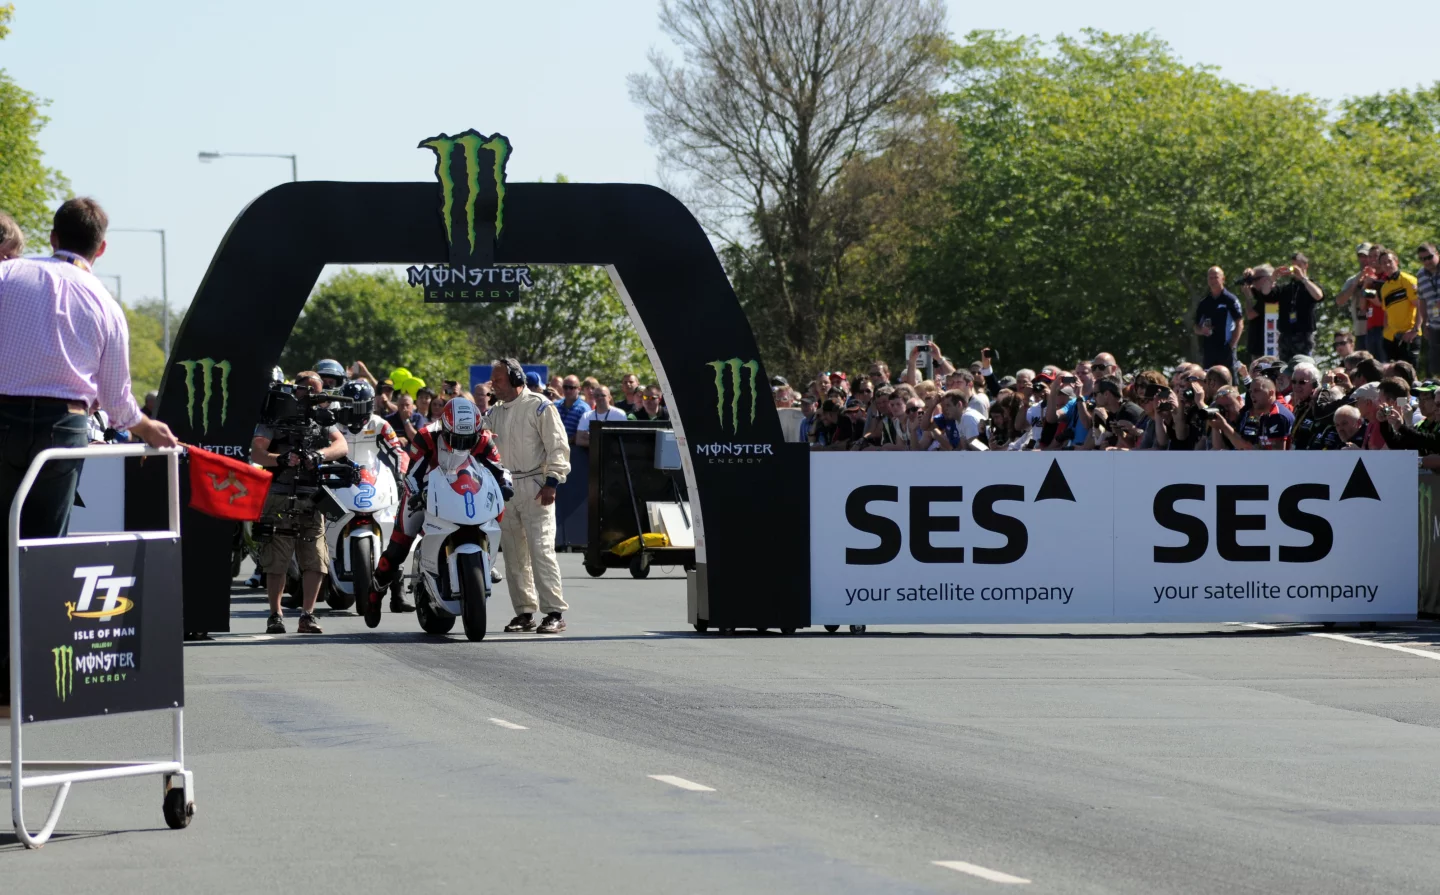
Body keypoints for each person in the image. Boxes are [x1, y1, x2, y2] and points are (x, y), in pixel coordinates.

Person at [0, 198, 179, 715]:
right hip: (64, 427)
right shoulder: (104, 303)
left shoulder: (9, 276)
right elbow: (120, 402)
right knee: (39, 550)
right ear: (101, 249)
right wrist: (147, 427)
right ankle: (24, 679)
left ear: (52, 237)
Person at [363, 396, 508, 624]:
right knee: (399, 547)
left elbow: (499, 469)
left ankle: (486, 562)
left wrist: (506, 483)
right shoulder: (426, 436)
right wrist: (418, 493)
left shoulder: (482, 438)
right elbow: (412, 474)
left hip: (465, 489)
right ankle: (375, 592)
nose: (462, 444)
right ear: (445, 427)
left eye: (467, 439)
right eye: (455, 438)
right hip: (427, 491)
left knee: (497, 513)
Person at [252, 371, 350, 635]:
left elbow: (341, 446)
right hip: (279, 494)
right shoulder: (275, 416)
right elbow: (257, 450)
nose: (313, 397)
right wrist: (282, 459)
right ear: (296, 390)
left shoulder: (323, 420)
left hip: (311, 496)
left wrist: (318, 455)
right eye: (308, 390)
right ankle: (276, 614)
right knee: (277, 559)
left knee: (315, 559)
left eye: (318, 392)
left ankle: (308, 615)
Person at [485, 358, 572, 635]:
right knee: (513, 555)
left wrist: (552, 482)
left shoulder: (539, 406)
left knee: (541, 550)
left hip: (536, 486)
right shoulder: (494, 412)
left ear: (514, 378)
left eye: (498, 379)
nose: (493, 384)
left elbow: (558, 446)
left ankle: (554, 613)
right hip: (506, 488)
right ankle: (524, 613)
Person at [337, 379, 415, 612]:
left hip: (373, 480)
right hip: (338, 478)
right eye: (352, 406)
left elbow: (398, 452)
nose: (357, 412)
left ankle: (398, 595)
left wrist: (401, 477)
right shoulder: (333, 426)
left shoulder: (380, 424)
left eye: (362, 406)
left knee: (395, 531)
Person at [1373, 246, 1422, 365]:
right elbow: (1386, 312)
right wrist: (1386, 332)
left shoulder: (1408, 280)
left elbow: (1420, 305)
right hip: (1391, 337)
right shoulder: (1384, 287)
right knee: (1393, 375)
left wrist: (1415, 329)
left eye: (1389, 261)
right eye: (1383, 263)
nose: (1387, 265)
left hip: (1408, 335)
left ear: (1396, 261)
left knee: (1410, 373)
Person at [1194, 266, 1244, 371]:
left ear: (1223, 279)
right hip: (1209, 350)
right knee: (1209, 381)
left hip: (1226, 347)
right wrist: (1202, 330)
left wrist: (1231, 345)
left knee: (1229, 382)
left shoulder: (1230, 300)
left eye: (1216, 277)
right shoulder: (1204, 303)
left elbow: (1239, 323)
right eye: (1210, 278)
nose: (1213, 280)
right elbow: (1196, 327)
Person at [1337, 243, 1383, 357]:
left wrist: (1367, 284)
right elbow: (1339, 300)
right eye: (1361, 256)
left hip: (1379, 326)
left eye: (1368, 256)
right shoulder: (1354, 279)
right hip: (1360, 329)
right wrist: (1357, 283)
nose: (1365, 259)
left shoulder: (1382, 276)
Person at [1416, 244, 1440, 376]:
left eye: (1429, 257)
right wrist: (1424, 322)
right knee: (1435, 367)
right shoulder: (1421, 275)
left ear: (1437, 253)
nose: (1427, 261)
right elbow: (1422, 300)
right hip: (1434, 326)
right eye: (1422, 259)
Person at [554, 375, 590, 445]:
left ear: (579, 389)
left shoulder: (584, 409)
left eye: (571, 388)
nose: (568, 390)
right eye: (565, 387)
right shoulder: (555, 406)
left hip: (574, 450)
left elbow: (584, 434)